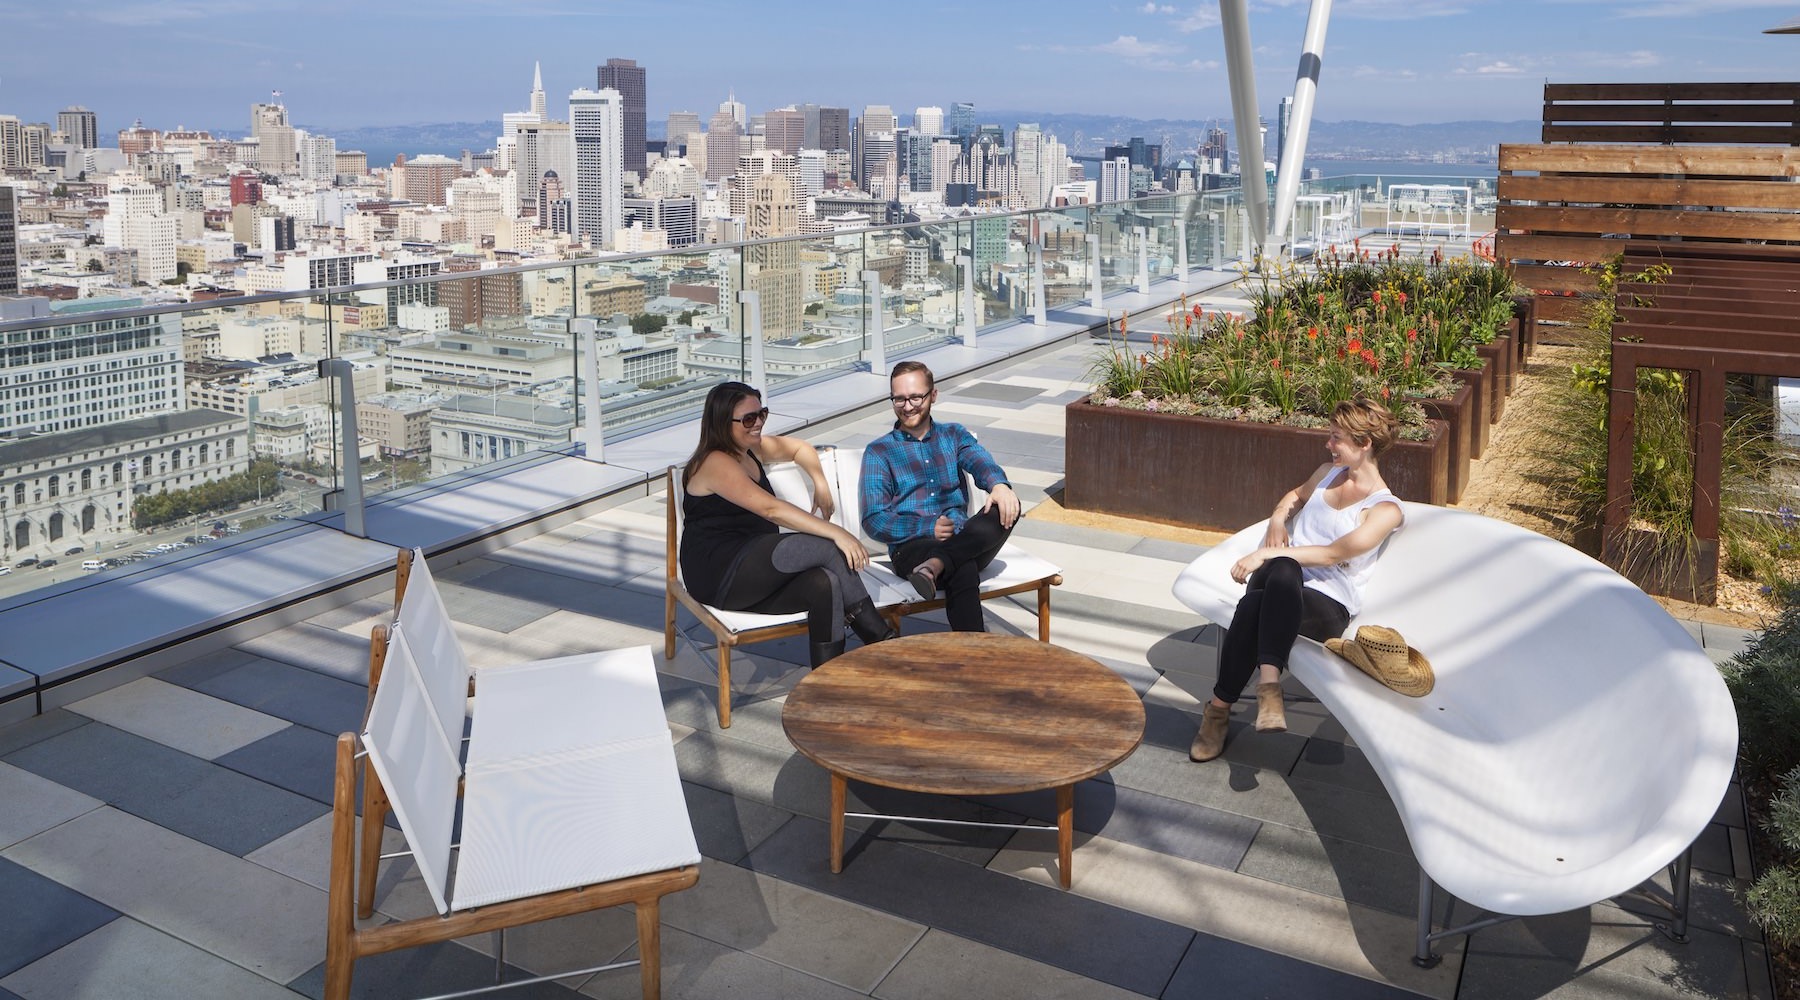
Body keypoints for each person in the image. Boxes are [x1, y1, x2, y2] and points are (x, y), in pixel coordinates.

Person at [1190, 397, 1406, 762]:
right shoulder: (1325, 473)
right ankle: (1269, 687)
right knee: (1283, 572)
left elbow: (1334, 553)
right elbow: (1295, 496)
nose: (1329, 444)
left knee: (1257, 603)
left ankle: (1218, 711)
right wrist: (1277, 519)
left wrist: (1267, 553)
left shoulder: (1386, 510)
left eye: (1336, 438)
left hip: (1326, 607)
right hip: (1278, 578)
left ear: (1364, 443)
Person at [679, 381, 895, 668]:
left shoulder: (750, 449)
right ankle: (882, 641)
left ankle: (826, 680)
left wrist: (820, 482)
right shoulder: (715, 462)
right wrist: (838, 533)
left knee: (825, 584)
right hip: (719, 573)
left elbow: (800, 449)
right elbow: (771, 509)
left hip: (752, 574)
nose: (758, 424)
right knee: (828, 547)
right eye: (748, 418)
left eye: (762, 414)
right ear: (721, 422)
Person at [860, 361, 1020, 632]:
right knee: (963, 567)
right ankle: (974, 654)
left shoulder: (953, 435)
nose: (907, 406)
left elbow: (979, 461)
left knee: (1007, 503)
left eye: (915, 397)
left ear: (933, 395)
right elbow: (873, 519)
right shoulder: (879, 451)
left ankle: (935, 566)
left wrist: (998, 485)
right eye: (899, 399)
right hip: (911, 548)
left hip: (964, 537)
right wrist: (926, 527)